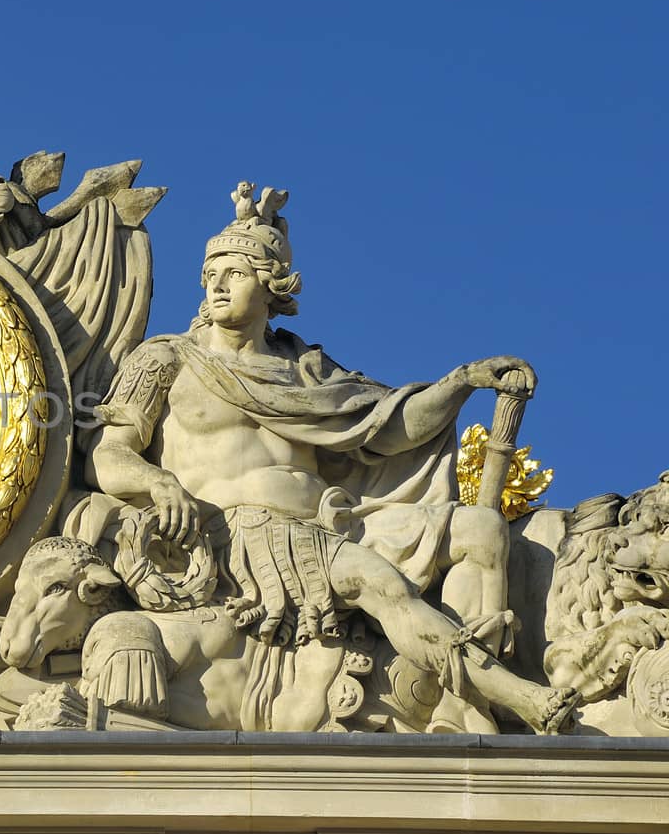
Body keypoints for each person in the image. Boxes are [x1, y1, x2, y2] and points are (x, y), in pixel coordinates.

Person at [83, 208, 575, 733]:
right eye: (210, 275)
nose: (218, 286)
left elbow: (391, 427)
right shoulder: (166, 360)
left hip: (324, 525)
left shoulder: (305, 369)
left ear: (271, 286)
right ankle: (515, 693)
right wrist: (159, 482)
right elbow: (108, 456)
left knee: (480, 529)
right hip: (231, 536)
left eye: (236, 273)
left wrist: (460, 381)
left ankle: (470, 706)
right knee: (380, 586)